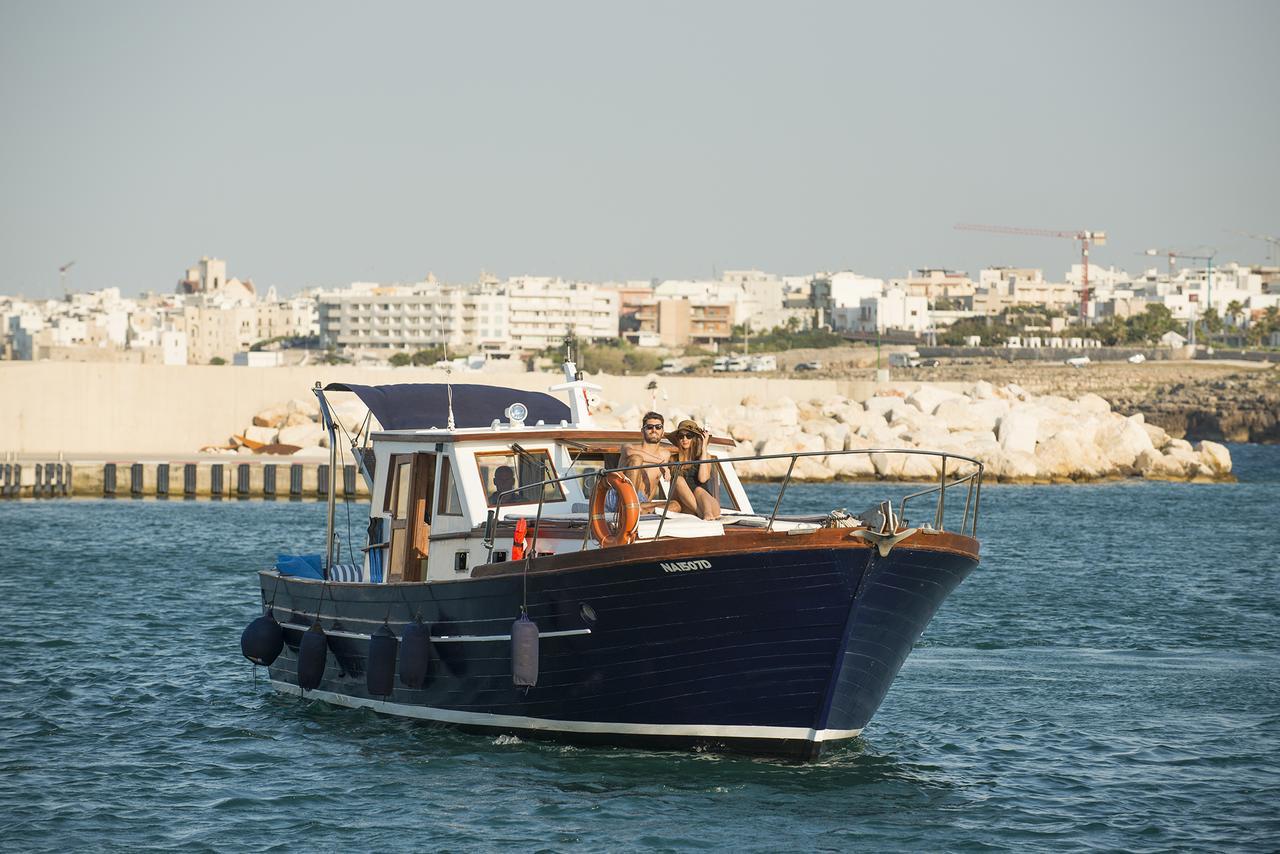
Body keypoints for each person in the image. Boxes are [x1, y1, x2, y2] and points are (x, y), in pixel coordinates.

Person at [666, 419, 721, 520]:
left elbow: (703, 478)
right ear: (677, 439)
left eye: (689, 436)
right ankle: (701, 514)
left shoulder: (704, 456)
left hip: (709, 506)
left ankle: (706, 513)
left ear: (695, 438)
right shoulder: (673, 460)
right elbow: (672, 493)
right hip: (688, 508)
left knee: (699, 490)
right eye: (681, 436)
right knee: (678, 480)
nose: (684, 439)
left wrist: (704, 447)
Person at [617, 411, 670, 510]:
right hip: (620, 499)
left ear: (663, 432)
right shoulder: (629, 447)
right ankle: (629, 508)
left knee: (675, 505)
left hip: (642, 503)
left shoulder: (665, 454)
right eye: (649, 427)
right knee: (637, 459)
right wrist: (661, 463)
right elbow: (630, 453)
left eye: (658, 427)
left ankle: (640, 511)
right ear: (642, 430)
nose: (654, 430)